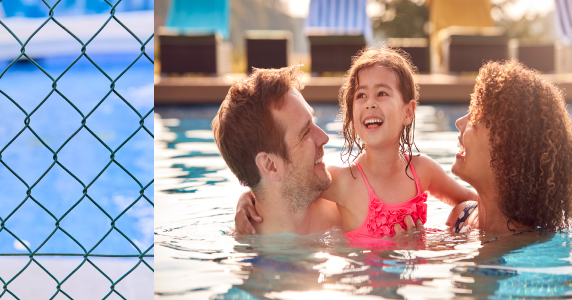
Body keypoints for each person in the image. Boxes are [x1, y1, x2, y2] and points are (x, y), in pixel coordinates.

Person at [232, 47, 477, 240]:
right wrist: (247, 199)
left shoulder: (423, 171)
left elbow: (471, 200)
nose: (370, 102)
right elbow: (284, 188)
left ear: (408, 112)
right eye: (361, 95)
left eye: (382, 93)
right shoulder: (342, 182)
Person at [446, 60, 572, 234]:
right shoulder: (460, 216)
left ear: (507, 151)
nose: (459, 123)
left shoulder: (529, 248)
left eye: (475, 119)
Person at [211, 65, 340, 235]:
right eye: (305, 132)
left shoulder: (348, 207)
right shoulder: (247, 252)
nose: (324, 137)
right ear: (270, 165)